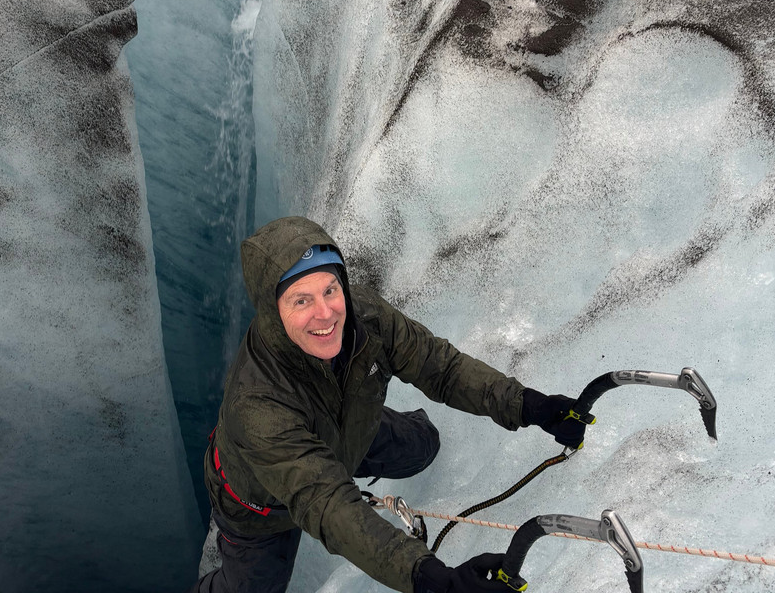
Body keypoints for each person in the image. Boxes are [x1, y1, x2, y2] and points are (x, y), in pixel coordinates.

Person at [191, 216, 589, 593]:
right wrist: (430, 578)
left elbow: (440, 367)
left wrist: (527, 405)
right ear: (273, 312)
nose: (325, 313)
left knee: (423, 445)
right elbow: (327, 503)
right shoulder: (256, 405)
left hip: (345, 430)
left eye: (330, 290)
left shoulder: (365, 317)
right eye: (301, 301)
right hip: (263, 505)